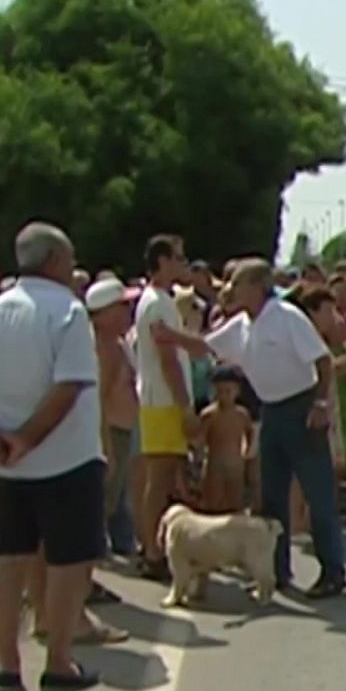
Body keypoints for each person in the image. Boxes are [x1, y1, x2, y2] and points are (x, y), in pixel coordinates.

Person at [0, 222, 109, 691]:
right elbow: (69, 386)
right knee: (67, 563)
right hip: (65, 460)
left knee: (9, 558)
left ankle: (7, 664)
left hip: (2, 464)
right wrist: (26, 438)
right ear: (56, 262)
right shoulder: (68, 313)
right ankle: (58, 662)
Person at [204, 260, 346, 599]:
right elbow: (205, 346)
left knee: (318, 493)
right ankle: (276, 570)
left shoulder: (287, 317)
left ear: (256, 287)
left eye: (237, 284)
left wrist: (321, 405)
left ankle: (333, 572)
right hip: (271, 411)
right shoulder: (241, 324)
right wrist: (169, 336)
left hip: (301, 407)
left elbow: (323, 360)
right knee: (271, 498)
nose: (230, 290)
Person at [132, 234, 197, 582]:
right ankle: (152, 552)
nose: (183, 264)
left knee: (164, 475)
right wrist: (185, 404)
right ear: (162, 261)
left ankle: (154, 547)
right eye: (178, 258)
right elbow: (167, 356)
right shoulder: (157, 303)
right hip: (163, 401)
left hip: (159, 399)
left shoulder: (160, 301)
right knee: (158, 478)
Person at [87, 278, 141, 559]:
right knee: (106, 496)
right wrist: (105, 443)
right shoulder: (104, 349)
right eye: (122, 306)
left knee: (119, 495)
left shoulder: (117, 344)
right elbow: (100, 396)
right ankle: (93, 553)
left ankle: (122, 543)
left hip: (123, 427)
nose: (128, 311)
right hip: (112, 429)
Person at [197, 366, 254, 514]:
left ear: (237, 391)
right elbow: (200, 438)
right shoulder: (209, 415)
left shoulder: (242, 415)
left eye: (228, 391)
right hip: (214, 464)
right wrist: (199, 456)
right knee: (213, 505)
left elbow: (249, 433)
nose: (224, 395)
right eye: (220, 391)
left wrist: (246, 453)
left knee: (235, 504)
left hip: (236, 465)